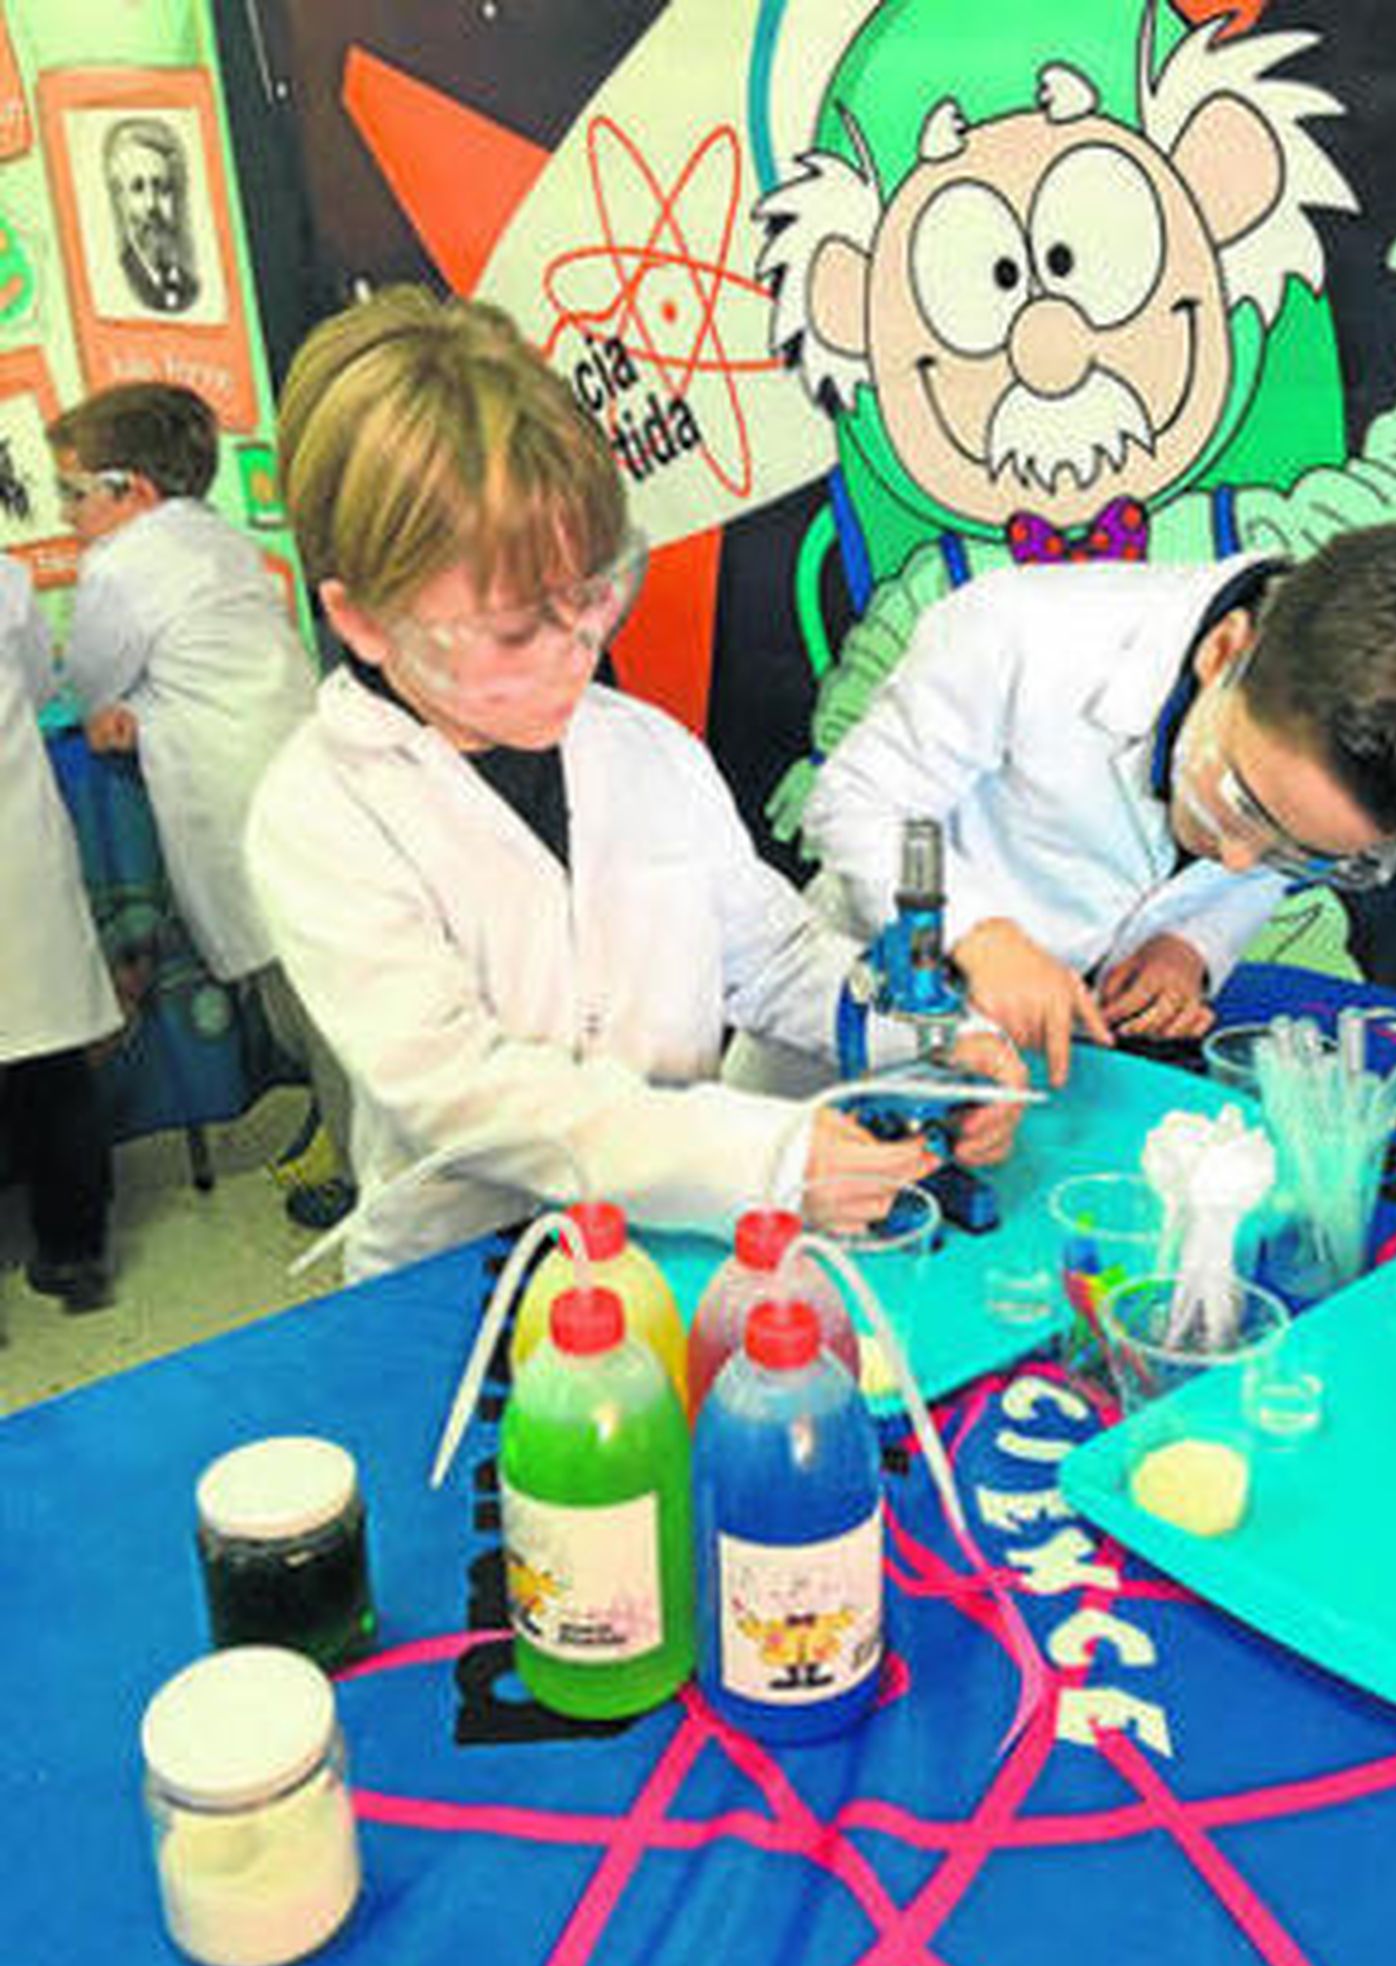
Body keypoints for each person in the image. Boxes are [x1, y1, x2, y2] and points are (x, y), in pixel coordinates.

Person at [245, 286, 1023, 1283]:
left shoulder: (643, 747)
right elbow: (463, 1092)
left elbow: (776, 960)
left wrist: (925, 1036)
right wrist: (764, 1157)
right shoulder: (323, 813)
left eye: (593, 592)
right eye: (518, 628)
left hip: (673, 1253)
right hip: (464, 1272)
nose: (578, 649)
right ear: (362, 622)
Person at [805, 524, 1396, 1084]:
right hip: (861, 1022)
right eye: (1242, 802)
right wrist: (975, 932)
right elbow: (855, 803)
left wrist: (1193, 942)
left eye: (1305, 853)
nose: (1239, 858)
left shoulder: (1320, 772)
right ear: (1223, 651)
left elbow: (1255, 866)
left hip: (1048, 1068)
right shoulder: (1020, 633)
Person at [46, 382, 349, 1213]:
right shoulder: (214, 538)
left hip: (237, 796)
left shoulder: (121, 564)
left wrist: (128, 713)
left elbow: (88, 680)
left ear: (131, 491)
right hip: (304, 768)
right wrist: (144, 714)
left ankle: (368, 1173)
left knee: (306, 1007)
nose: (67, 513)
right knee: (329, 983)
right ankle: (355, 1143)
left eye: (75, 492)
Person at [0, 554, 121, 1313]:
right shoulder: (5, 578)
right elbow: (42, 689)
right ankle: (74, 1253)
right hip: (17, 847)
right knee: (51, 1057)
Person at [103, 116, 199, 315]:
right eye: (137, 188)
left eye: (162, 188)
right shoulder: (115, 284)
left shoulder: (191, 287)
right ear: (120, 200)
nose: (152, 205)